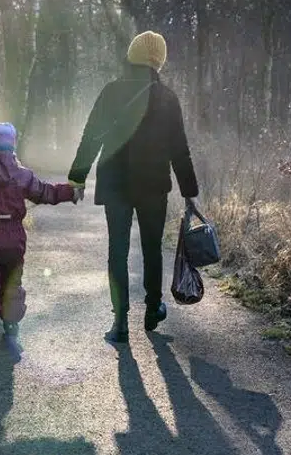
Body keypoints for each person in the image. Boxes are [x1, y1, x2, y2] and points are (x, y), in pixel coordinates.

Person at [69, 31, 198, 343]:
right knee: (152, 248)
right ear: (159, 62)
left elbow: (91, 136)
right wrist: (189, 192)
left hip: (115, 183)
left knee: (118, 250)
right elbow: (179, 149)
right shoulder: (167, 98)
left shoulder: (111, 91)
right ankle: (153, 309)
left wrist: (77, 178)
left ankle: (120, 322)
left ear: (131, 56)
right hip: (153, 186)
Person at [0, 122, 78, 349]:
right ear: (12, 150)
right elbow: (45, 193)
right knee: (12, 279)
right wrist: (70, 192)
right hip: (13, 237)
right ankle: (11, 324)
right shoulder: (23, 176)